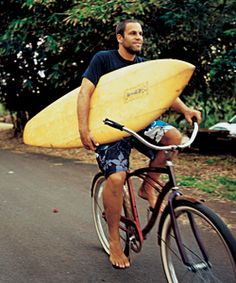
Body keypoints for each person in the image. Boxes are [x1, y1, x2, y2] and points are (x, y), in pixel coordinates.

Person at [77, 19, 201, 269]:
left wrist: (186, 109)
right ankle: (113, 239)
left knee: (172, 136)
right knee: (115, 178)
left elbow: (165, 93)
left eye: (141, 33)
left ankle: (148, 187)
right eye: (133, 33)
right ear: (120, 38)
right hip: (111, 128)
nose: (139, 37)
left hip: (140, 124)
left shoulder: (143, 66)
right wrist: (84, 128)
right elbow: (84, 93)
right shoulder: (104, 59)